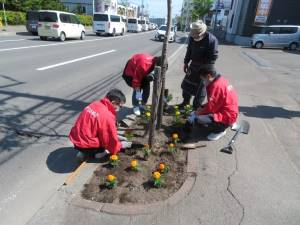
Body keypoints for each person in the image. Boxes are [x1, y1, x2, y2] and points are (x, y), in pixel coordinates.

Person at [69, 89, 132, 159]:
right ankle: (97, 154)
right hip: (87, 144)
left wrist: (117, 136)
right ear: (114, 102)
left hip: (76, 139)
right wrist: (120, 145)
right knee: (107, 148)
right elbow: (108, 139)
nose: (120, 108)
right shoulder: (107, 115)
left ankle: (83, 152)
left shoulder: (95, 104)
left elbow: (96, 128)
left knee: (93, 138)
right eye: (120, 106)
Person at [188, 64, 239, 141]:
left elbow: (211, 108)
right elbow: (215, 102)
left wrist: (197, 113)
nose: (203, 82)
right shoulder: (221, 80)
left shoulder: (216, 86)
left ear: (208, 76)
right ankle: (226, 124)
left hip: (227, 116)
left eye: (203, 79)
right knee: (200, 112)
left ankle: (220, 130)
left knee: (198, 119)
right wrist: (201, 108)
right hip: (230, 112)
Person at [180, 20, 218, 110]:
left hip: (205, 66)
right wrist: (186, 62)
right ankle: (185, 102)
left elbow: (213, 57)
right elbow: (189, 50)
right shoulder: (192, 38)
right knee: (186, 85)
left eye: (197, 35)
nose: (195, 37)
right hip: (193, 64)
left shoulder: (211, 40)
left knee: (200, 89)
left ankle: (196, 108)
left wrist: (205, 70)